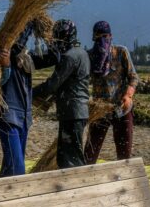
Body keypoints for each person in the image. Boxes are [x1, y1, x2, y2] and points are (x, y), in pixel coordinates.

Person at [32, 19, 91, 169]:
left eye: (58, 37)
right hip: (79, 111)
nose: (55, 41)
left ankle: (77, 188)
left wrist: (30, 93)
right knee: (71, 153)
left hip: (72, 112)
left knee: (70, 157)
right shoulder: (82, 53)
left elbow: (52, 84)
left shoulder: (69, 57)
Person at [83, 21, 138, 163]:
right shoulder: (89, 56)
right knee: (90, 152)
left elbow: (133, 77)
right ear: (93, 38)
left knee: (124, 154)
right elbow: (83, 81)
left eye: (105, 36)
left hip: (122, 108)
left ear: (111, 36)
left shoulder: (121, 53)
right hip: (99, 110)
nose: (102, 40)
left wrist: (128, 95)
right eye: (98, 37)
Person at [0, 24, 36, 176]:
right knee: (17, 168)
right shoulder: (7, 55)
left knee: (9, 165)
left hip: (24, 119)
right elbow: (19, 41)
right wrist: (29, 20)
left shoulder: (26, 58)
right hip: (9, 119)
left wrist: (43, 33)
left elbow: (54, 57)